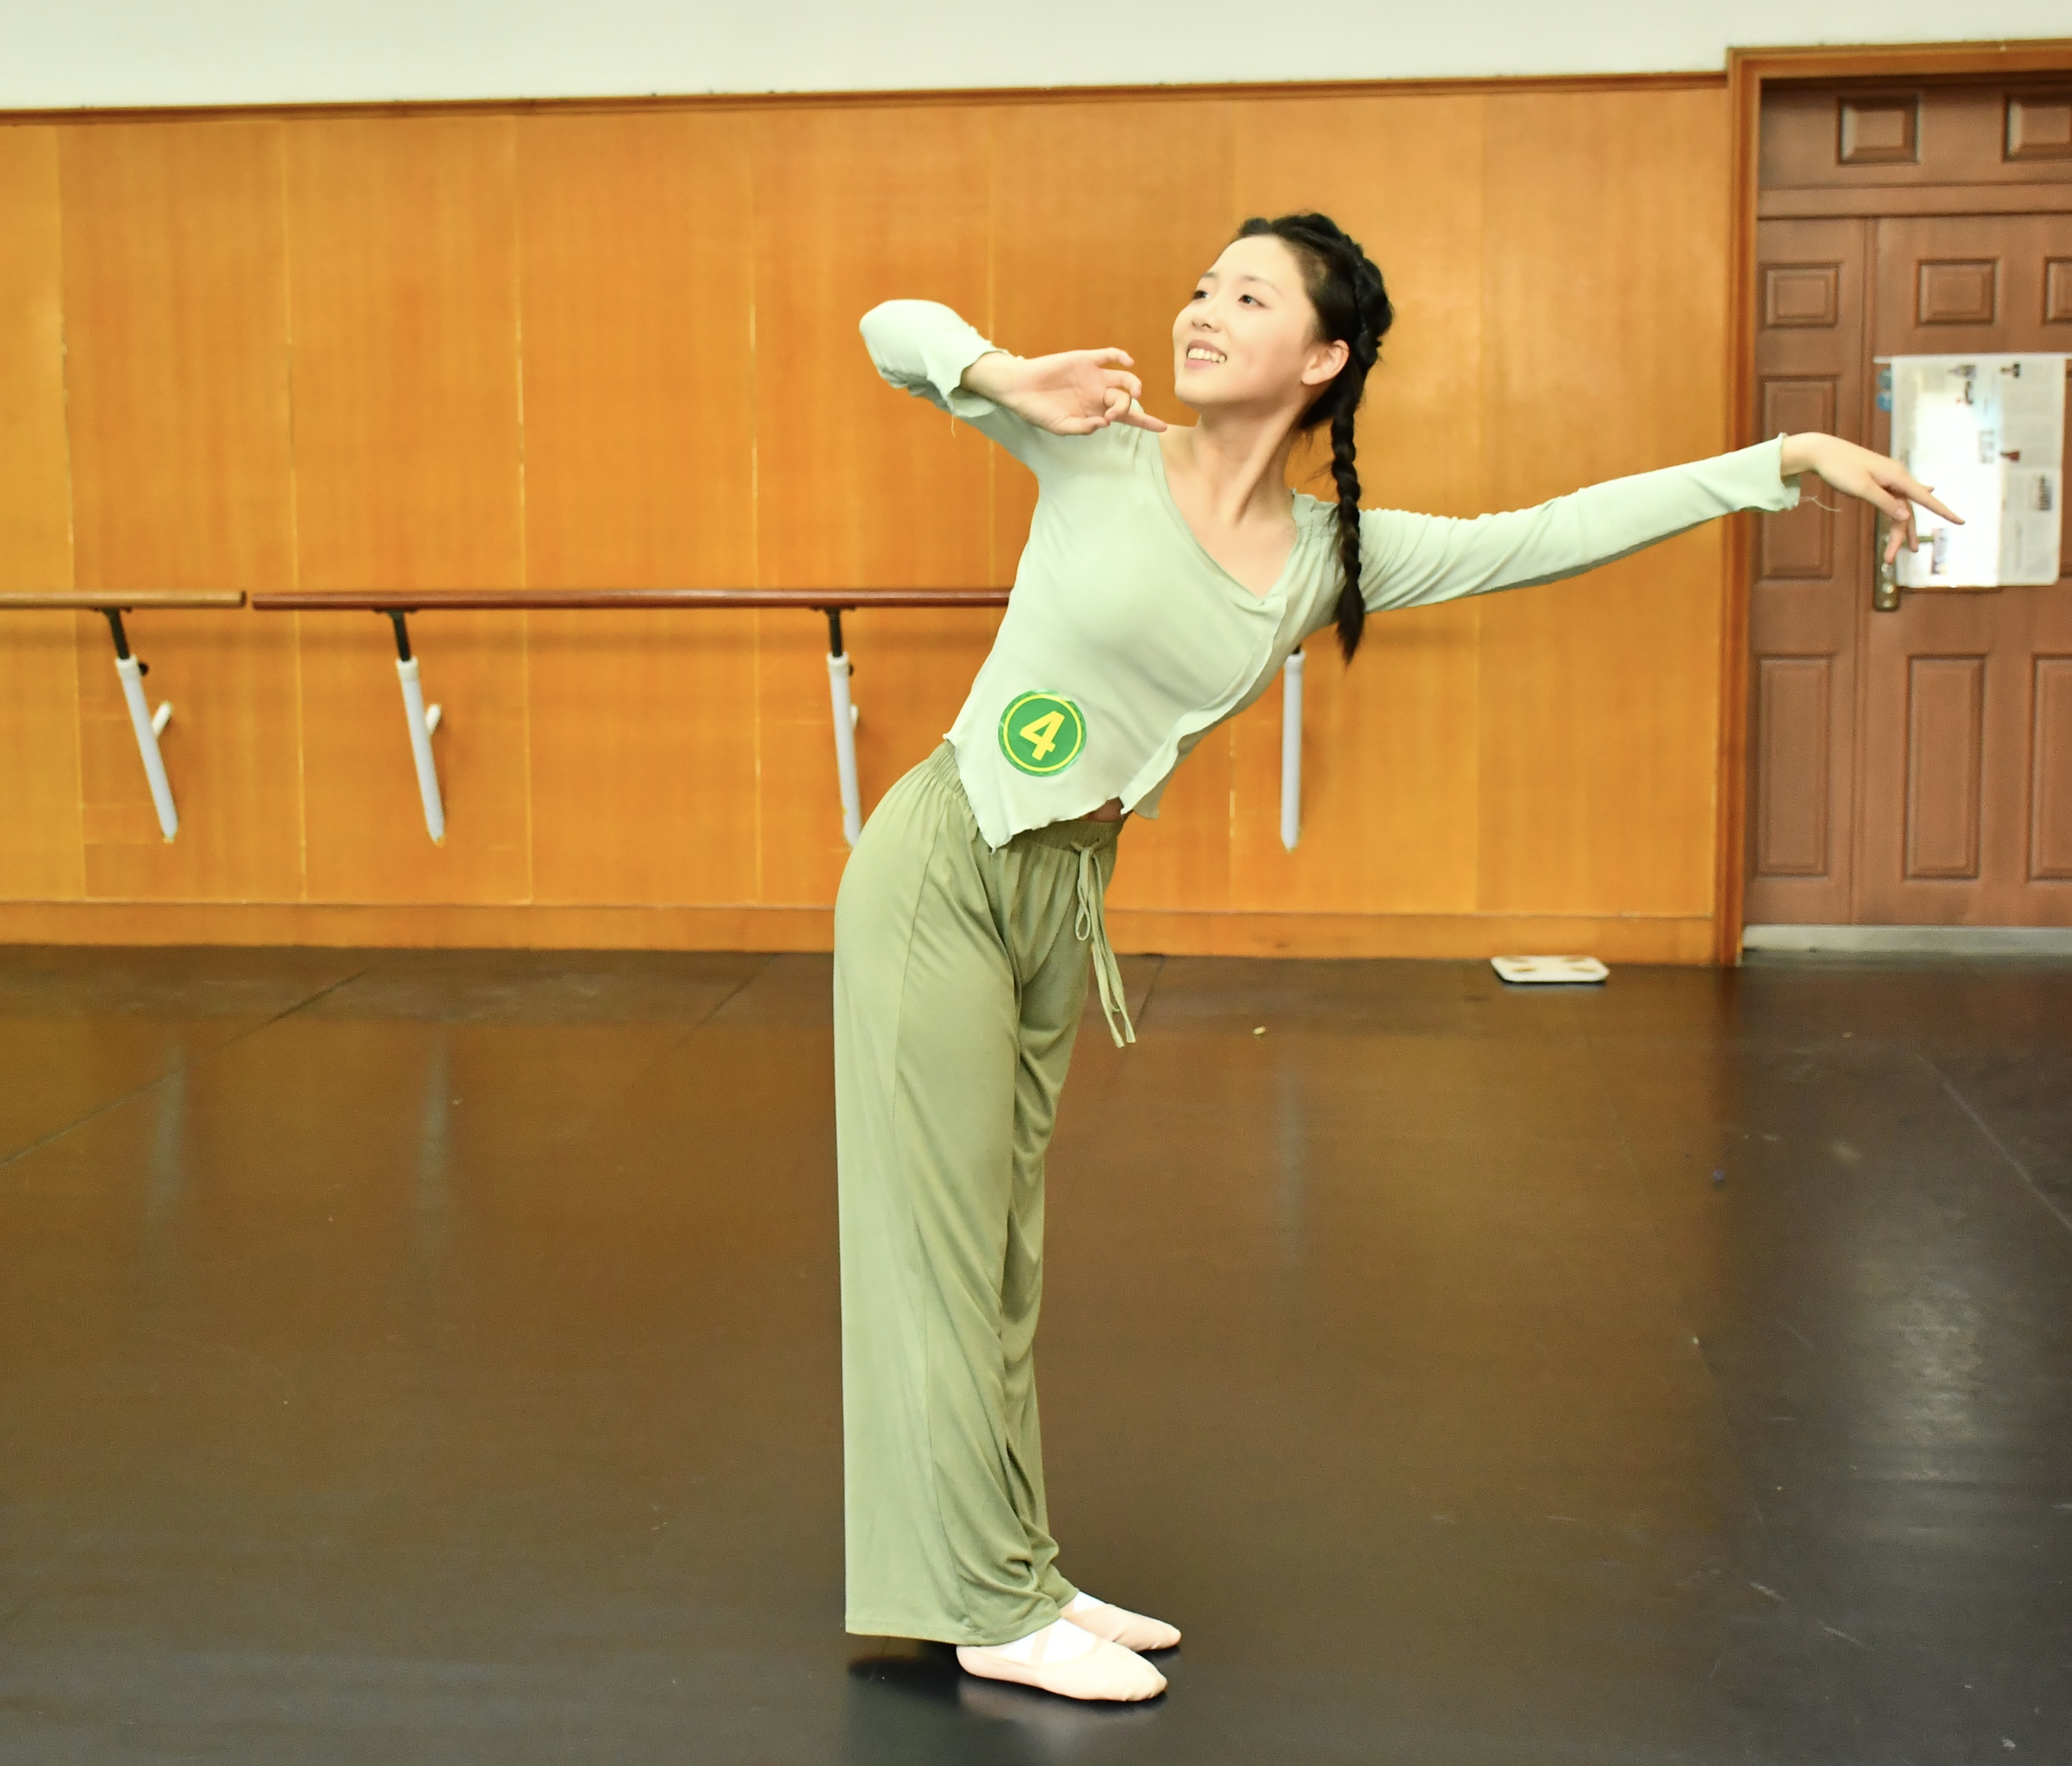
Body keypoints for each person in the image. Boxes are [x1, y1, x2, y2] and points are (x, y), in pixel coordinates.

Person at [835, 212, 1958, 1703]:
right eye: (1201, 286)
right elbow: (889, 328)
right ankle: (981, 1600)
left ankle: (1013, 1565)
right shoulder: (1093, 449)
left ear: (1323, 357)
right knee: (937, 1247)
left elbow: (1549, 532)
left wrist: (1785, 459)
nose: (1202, 310)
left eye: (1248, 296)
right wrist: (1002, 371)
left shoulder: (1325, 555)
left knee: (1001, 1257)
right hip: (946, 862)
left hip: (1062, 897)